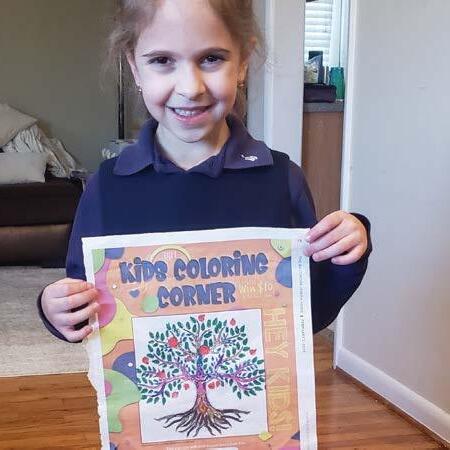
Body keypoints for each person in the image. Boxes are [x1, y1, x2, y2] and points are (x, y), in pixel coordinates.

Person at [38, 0, 371, 344]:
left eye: (211, 58)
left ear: (242, 62)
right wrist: (57, 309)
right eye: (162, 60)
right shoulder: (106, 187)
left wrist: (346, 252)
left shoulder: (282, 181)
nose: (190, 87)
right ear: (135, 67)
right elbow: (84, 298)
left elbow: (307, 312)